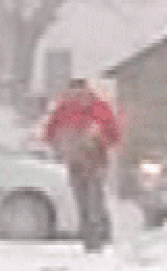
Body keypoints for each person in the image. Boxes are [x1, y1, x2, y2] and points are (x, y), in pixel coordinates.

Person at [40, 78, 123, 253]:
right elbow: (49, 133)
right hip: (75, 163)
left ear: (87, 91)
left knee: (94, 200)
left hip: (95, 161)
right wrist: (60, 144)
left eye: (80, 93)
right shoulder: (63, 109)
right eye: (74, 93)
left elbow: (114, 134)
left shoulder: (98, 108)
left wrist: (98, 139)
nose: (77, 96)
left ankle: (99, 237)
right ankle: (92, 237)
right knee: (83, 201)